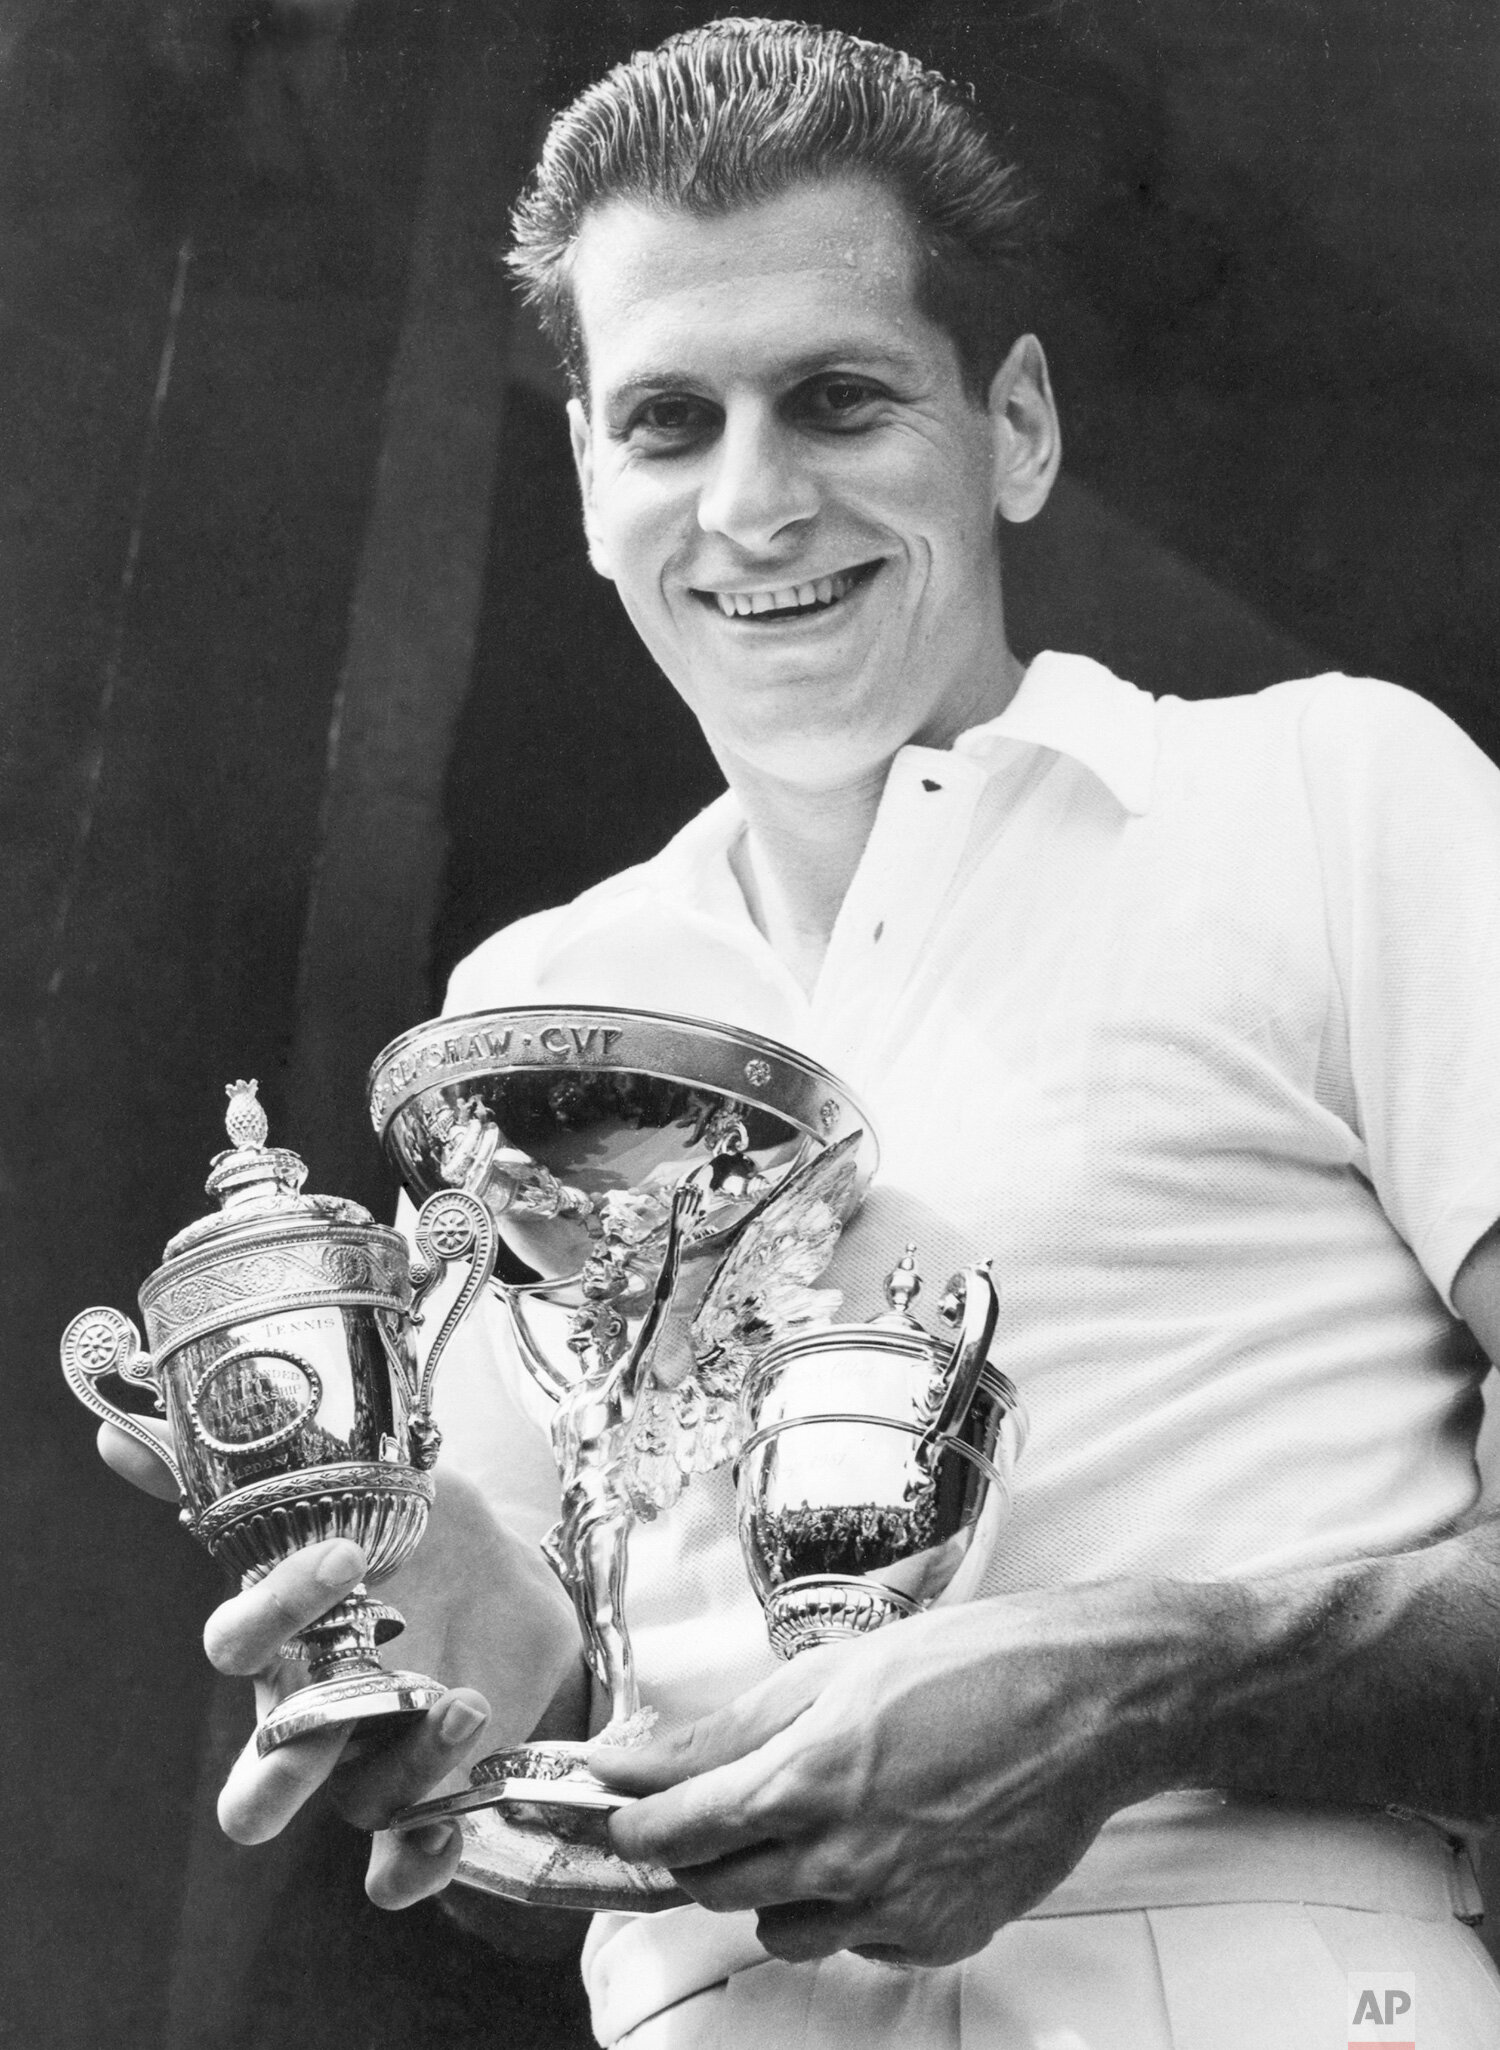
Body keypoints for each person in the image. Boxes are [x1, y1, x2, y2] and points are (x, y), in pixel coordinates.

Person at [102, 18, 1500, 2049]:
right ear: (590, 475)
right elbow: (549, 1718)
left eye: (836, 398)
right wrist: (423, 1671)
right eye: (669, 419)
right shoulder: (529, 1006)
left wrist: (1133, 1686)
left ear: (1012, 426)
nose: (754, 504)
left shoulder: (1339, 798)